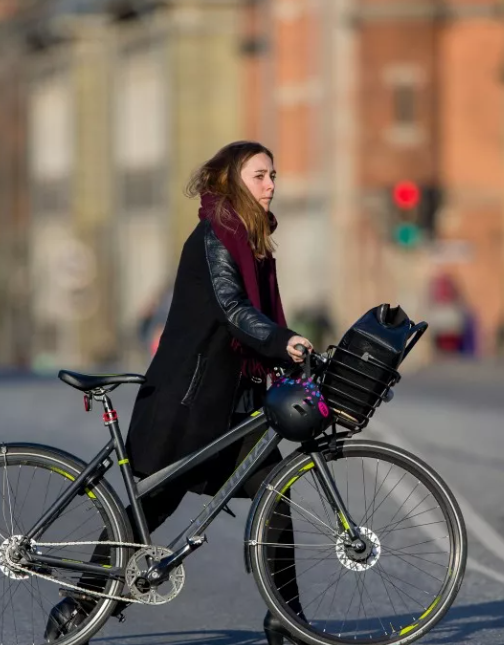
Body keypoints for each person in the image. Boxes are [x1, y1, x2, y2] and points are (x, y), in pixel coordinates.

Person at [45, 142, 314, 644]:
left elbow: (251, 317)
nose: (271, 184)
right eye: (259, 175)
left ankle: (287, 618)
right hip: (188, 404)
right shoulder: (217, 235)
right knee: (152, 507)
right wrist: (284, 341)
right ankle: (81, 603)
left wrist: (287, 349)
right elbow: (234, 309)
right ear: (233, 181)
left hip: (229, 405)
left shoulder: (251, 241)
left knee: (276, 489)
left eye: (273, 175)